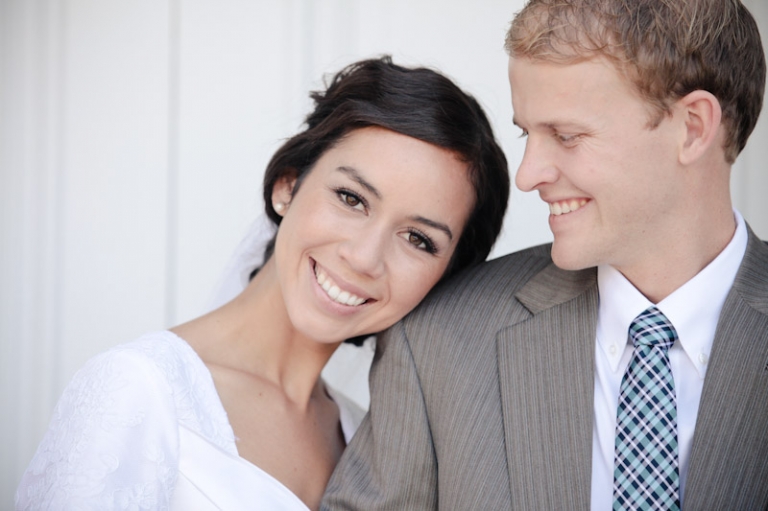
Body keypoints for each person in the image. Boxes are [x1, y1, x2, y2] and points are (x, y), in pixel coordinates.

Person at [322, 1, 768, 509]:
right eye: (526, 133)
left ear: (692, 126)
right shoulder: (436, 342)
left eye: (567, 136)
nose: (529, 174)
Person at [15, 56, 510, 511]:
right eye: (351, 198)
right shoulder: (138, 392)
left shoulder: (369, 437)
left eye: (418, 239)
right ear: (287, 186)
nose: (363, 258)